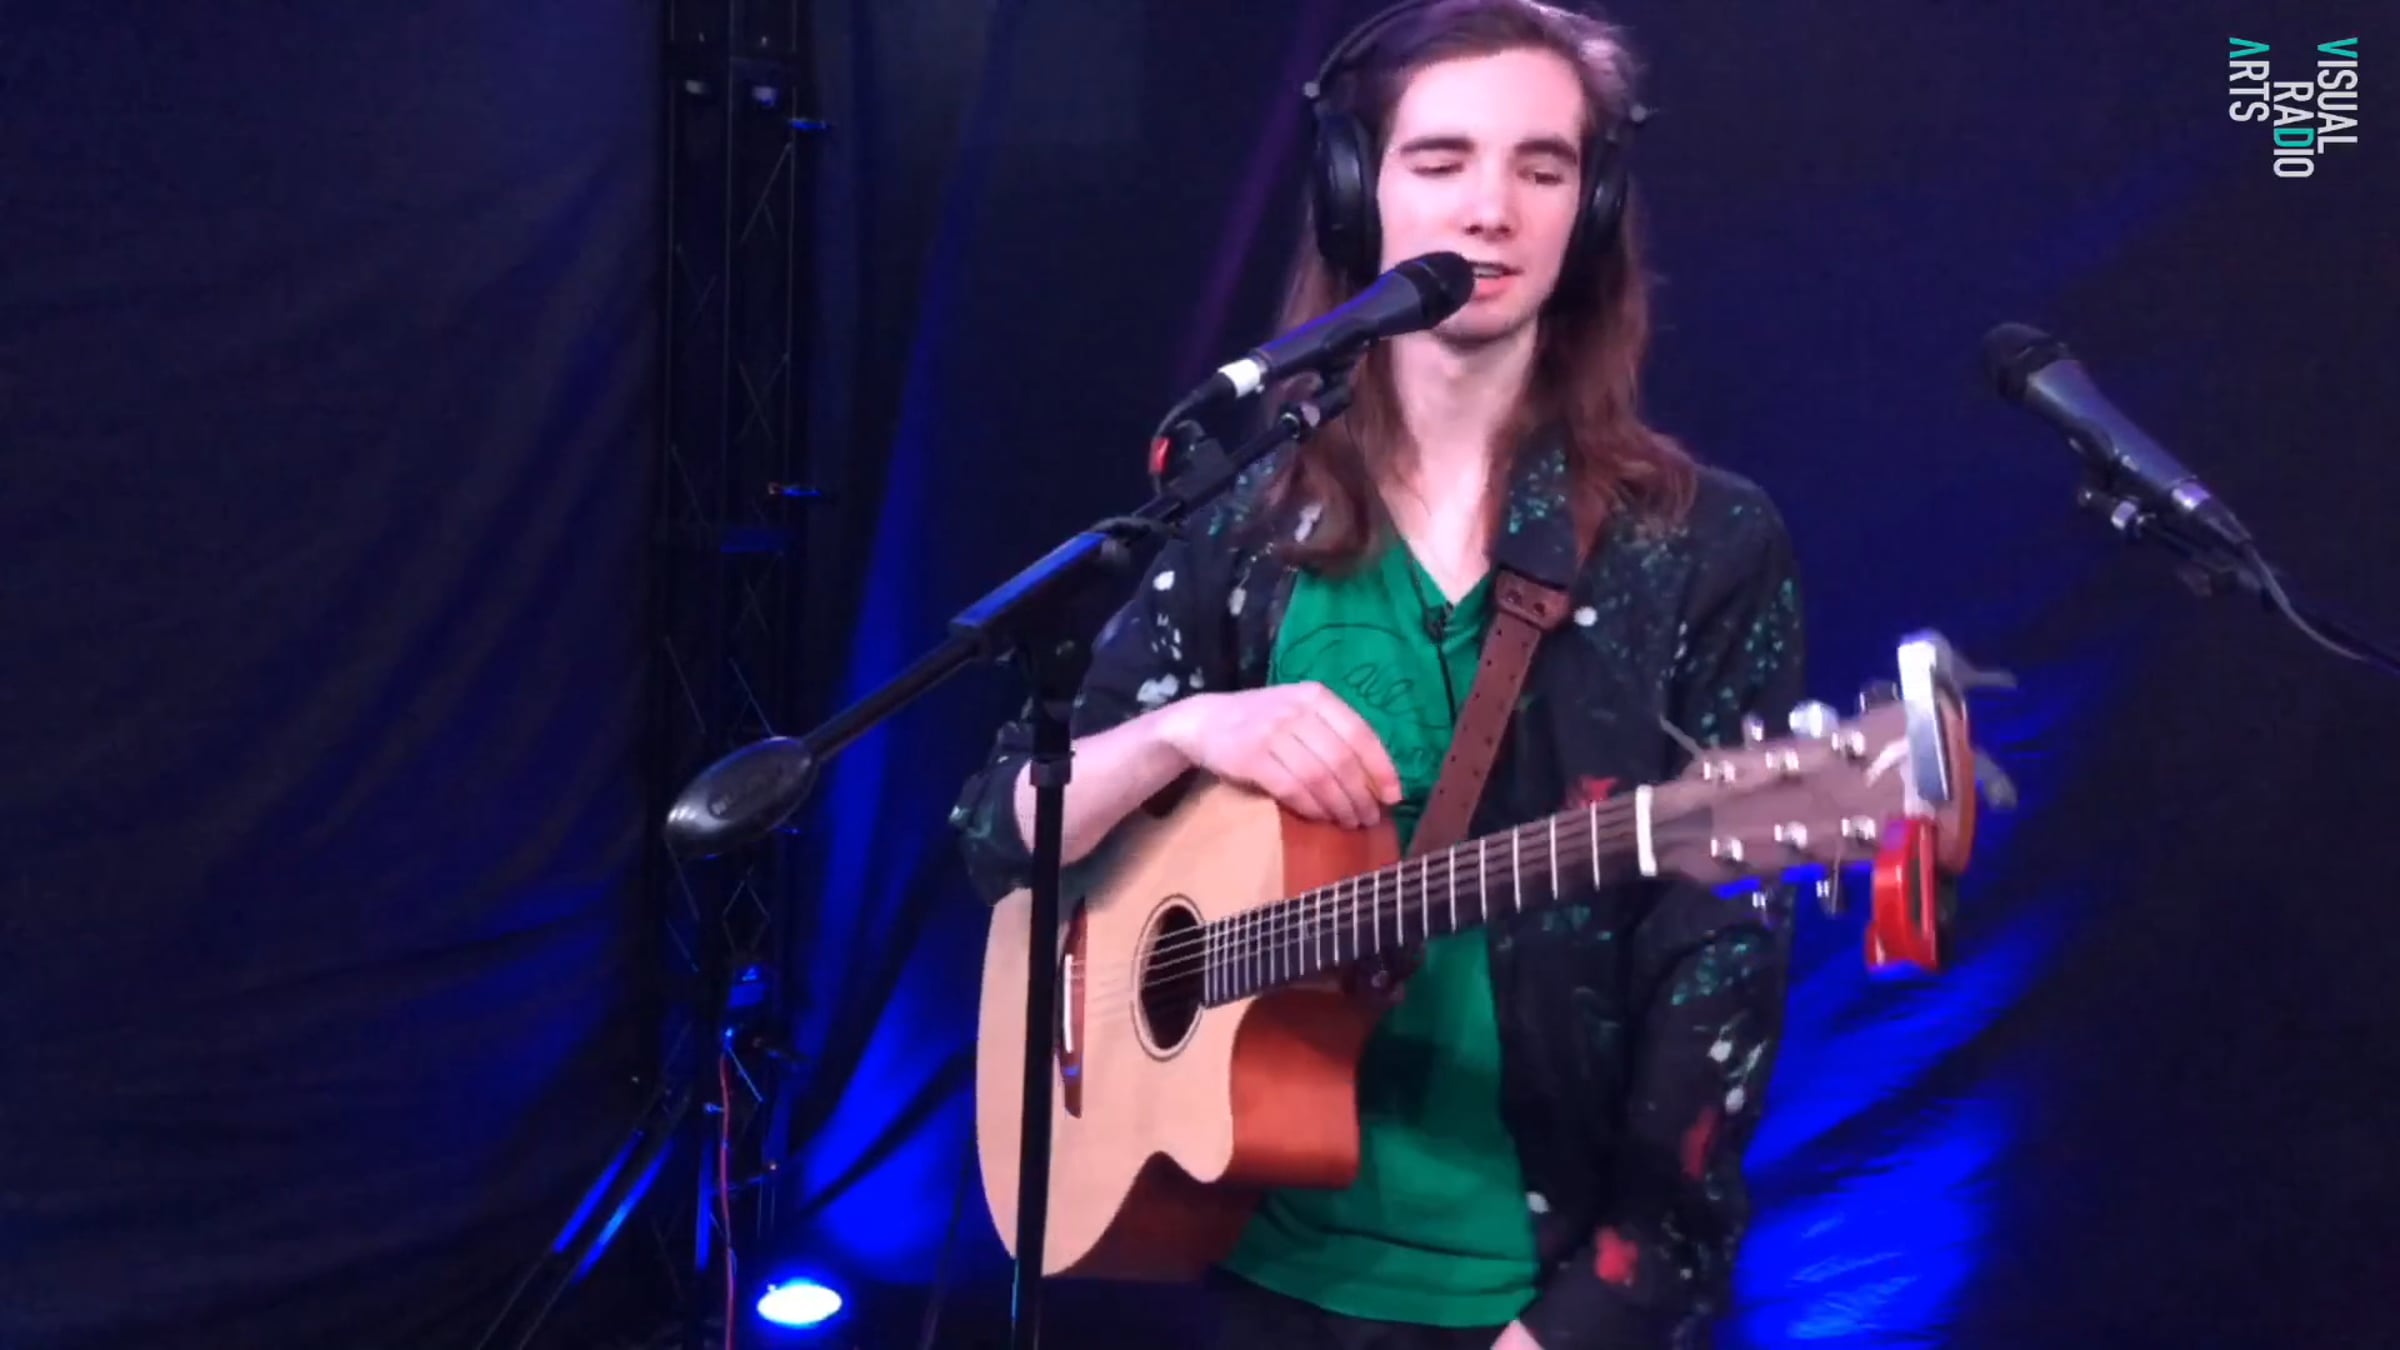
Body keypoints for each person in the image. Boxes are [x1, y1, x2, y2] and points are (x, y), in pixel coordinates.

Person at [949, 1, 1806, 1346]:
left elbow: (1720, 973)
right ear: (1360, 191)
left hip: (1525, 1295)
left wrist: (1590, 1318)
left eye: (1542, 167)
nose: (1491, 210)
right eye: (1440, 159)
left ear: (1591, 208)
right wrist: (1186, 733)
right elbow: (1001, 830)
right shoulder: (1246, 524)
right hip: (1250, 1256)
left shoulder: (1700, 546)